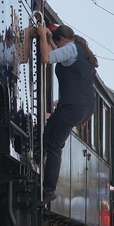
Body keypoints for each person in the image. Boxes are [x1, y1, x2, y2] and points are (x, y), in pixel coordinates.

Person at [35, 21, 98, 202]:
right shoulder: (81, 52)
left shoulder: (70, 49)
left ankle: (48, 189)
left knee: (52, 145)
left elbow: (47, 58)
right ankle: (48, 178)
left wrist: (41, 35)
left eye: (57, 42)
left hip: (72, 108)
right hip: (85, 108)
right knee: (52, 138)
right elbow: (58, 54)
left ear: (62, 39)